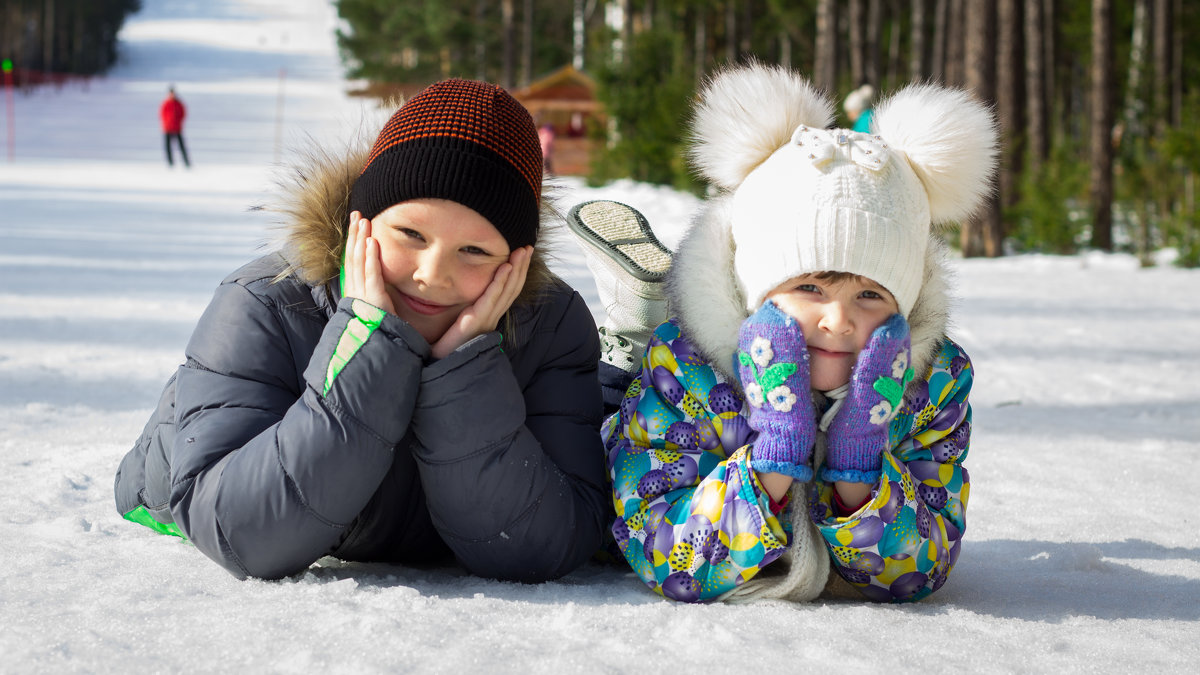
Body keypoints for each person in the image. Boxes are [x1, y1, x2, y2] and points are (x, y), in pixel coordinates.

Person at [114, 79, 609, 582]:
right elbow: (243, 534)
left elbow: (547, 544)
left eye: (475, 251)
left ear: (515, 261)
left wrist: (466, 371)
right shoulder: (265, 301)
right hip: (180, 474)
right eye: (410, 234)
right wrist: (367, 340)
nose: (432, 274)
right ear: (364, 224)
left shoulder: (551, 326)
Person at [567, 63, 997, 603]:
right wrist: (774, 451)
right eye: (811, 288)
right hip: (646, 405)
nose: (838, 322)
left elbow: (920, 571)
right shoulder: (685, 366)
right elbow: (667, 559)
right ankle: (636, 325)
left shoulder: (933, 385)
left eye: (869, 296)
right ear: (757, 291)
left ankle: (658, 302)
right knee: (593, 438)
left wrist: (860, 458)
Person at [160, 86, 190, 167]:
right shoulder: (166, 103)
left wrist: (179, 121)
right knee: (168, 147)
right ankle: (170, 163)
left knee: (181, 146)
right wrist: (166, 123)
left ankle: (186, 162)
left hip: (177, 127)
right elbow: (162, 114)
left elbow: (183, 113)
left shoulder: (178, 103)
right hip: (168, 128)